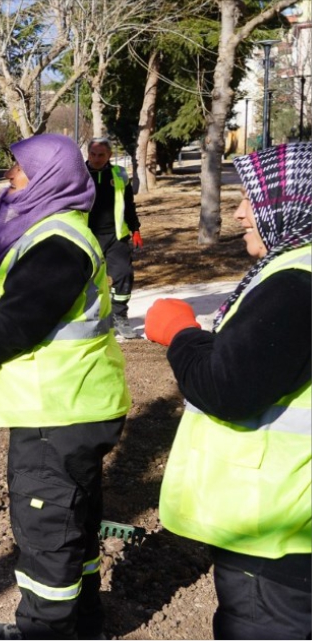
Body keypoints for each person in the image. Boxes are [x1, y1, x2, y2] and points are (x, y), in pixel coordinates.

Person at [0, 134, 130, 640]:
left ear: (47, 177)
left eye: (18, 170)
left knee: (47, 530)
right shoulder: (53, 232)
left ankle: (41, 632)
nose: (10, 177)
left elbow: (20, 324)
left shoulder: (57, 242)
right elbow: (29, 309)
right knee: (76, 525)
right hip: (75, 403)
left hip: (58, 409)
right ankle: (83, 625)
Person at [144, 142, 310, 640]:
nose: (239, 213)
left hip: (276, 534)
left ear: (293, 202)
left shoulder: (297, 283)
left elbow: (227, 386)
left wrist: (180, 333)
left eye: (253, 201)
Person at [85, 138, 141, 339]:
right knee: (86, 280)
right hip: (86, 236)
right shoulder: (79, 175)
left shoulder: (119, 174)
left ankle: (119, 316)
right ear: (88, 154)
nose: (97, 158)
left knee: (123, 274)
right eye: (93, 154)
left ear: (109, 155)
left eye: (101, 155)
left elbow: (128, 203)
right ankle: (91, 319)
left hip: (116, 235)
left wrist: (135, 229)